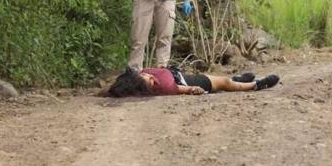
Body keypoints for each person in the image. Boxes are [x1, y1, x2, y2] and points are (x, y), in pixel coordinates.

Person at [107, 68, 280, 97]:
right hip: (189, 82)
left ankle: (239, 79)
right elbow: (179, 89)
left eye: (148, 76)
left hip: (181, 75)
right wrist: (192, 89)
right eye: (150, 82)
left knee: (215, 77)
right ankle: (255, 85)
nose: (152, 78)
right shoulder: (165, 87)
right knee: (225, 83)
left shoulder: (142, 76)